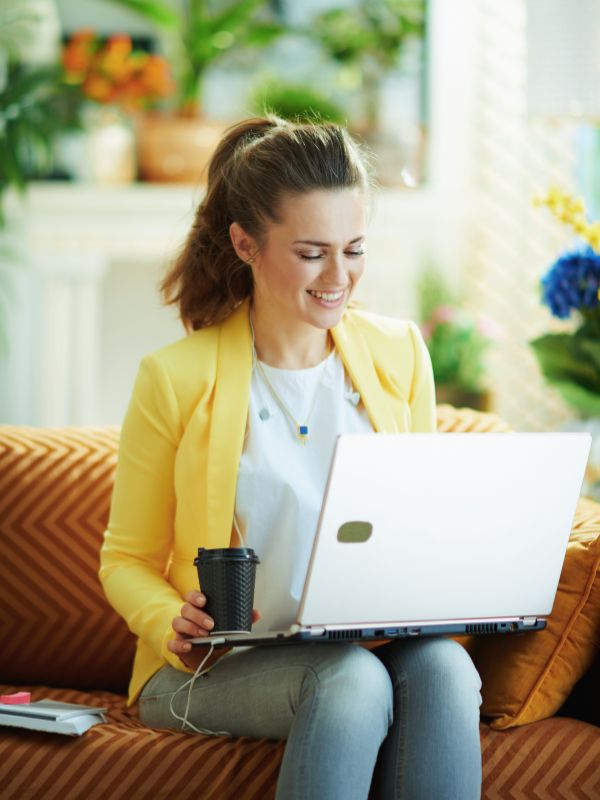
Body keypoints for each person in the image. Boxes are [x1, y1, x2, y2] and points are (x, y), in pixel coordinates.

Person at [99, 115, 482, 800]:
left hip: (362, 645)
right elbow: (124, 559)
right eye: (312, 253)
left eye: (355, 249)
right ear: (246, 243)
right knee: (345, 678)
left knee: (443, 671)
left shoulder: (399, 356)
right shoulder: (175, 377)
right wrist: (168, 622)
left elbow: (415, 524)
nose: (340, 277)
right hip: (213, 670)